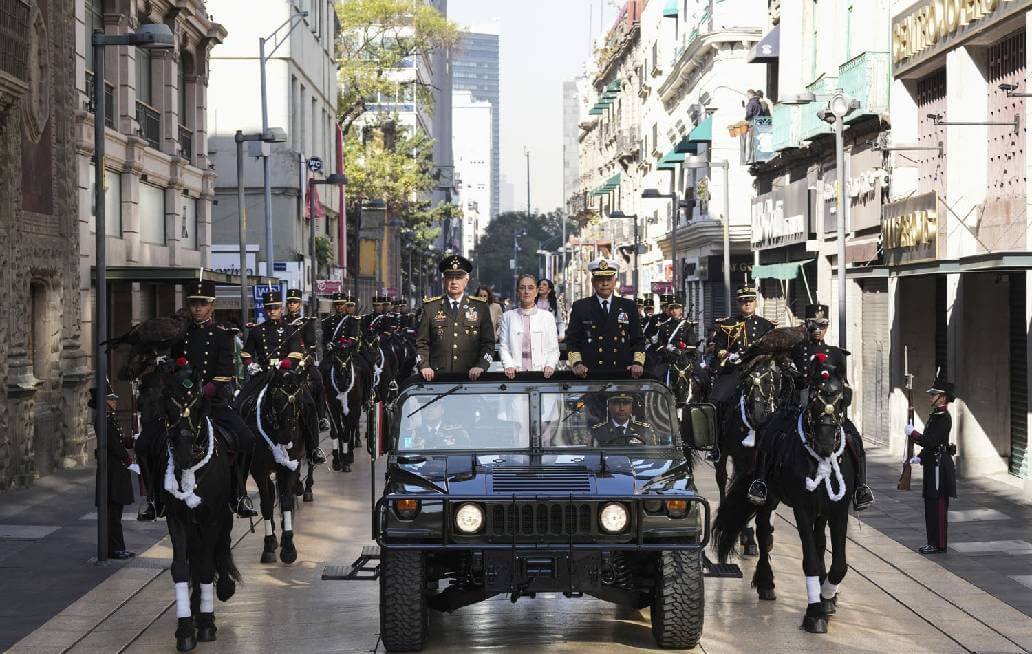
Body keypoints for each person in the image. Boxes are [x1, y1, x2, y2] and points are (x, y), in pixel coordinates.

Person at [165, 279, 257, 517]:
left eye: (202, 304)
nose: (197, 309)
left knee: (246, 439)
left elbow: (225, 374)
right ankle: (156, 499)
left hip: (210, 403)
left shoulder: (221, 336)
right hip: (180, 404)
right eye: (194, 304)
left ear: (212, 307)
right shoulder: (179, 336)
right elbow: (172, 366)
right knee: (148, 442)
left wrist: (204, 391)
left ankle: (239, 493)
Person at [786, 303, 874, 510]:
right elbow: (787, 382)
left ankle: (861, 487)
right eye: (814, 325)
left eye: (823, 325)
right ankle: (762, 482)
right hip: (799, 409)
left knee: (855, 439)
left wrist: (841, 402)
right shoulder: (795, 351)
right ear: (806, 324)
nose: (818, 329)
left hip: (828, 412)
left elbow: (844, 386)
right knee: (773, 434)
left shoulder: (835, 353)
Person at [416, 254, 495, 381]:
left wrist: (481, 366)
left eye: (458, 277)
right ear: (443, 281)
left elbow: (488, 344)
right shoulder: (431, 307)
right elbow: (421, 343)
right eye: (449, 277)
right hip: (436, 378)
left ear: (466, 280)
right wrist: (424, 365)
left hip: (471, 377)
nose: (454, 282)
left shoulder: (480, 307)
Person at [565, 257, 646, 378]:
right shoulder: (581, 307)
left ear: (615, 281)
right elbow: (572, 341)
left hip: (622, 373)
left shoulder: (628, 306)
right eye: (600, 279)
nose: (605, 283)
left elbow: (638, 340)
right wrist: (577, 363)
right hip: (590, 373)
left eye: (608, 279)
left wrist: (637, 363)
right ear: (593, 282)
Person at [906, 374, 957, 554]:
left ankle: (939, 544)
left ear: (942, 397)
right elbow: (930, 444)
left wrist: (914, 435)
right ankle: (931, 542)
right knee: (930, 506)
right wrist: (920, 457)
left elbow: (932, 441)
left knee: (939, 507)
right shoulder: (936, 415)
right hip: (932, 464)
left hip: (939, 468)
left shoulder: (944, 418)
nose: (930, 397)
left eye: (933, 394)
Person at [284, 288, 328, 462]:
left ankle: (322, 417)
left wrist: (303, 361)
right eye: (289, 302)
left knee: (318, 379)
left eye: (294, 302)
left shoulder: (307, 322)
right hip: (285, 364)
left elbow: (310, 345)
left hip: (302, 363)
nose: (292, 305)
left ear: (299, 304)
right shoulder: (282, 322)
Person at [92, 384, 136, 560]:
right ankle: (114, 548)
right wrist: (126, 457)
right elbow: (112, 444)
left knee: (116, 513)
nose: (115, 402)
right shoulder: (103, 419)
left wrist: (131, 441)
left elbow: (118, 440)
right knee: (112, 514)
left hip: (116, 470)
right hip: (111, 471)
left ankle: (118, 546)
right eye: (111, 399)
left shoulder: (109, 418)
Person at [499, 274, 560, 379]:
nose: (526, 291)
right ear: (517, 292)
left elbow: (554, 349)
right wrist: (508, 365)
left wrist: (550, 365)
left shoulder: (547, 317)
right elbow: (504, 346)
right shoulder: (508, 316)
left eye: (531, 288)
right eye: (522, 288)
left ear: (536, 292)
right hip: (515, 375)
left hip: (542, 374)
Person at [590, 392, 657, 446]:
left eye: (626, 403)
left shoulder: (644, 430)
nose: (621, 408)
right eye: (616, 403)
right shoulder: (599, 431)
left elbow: (652, 457)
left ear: (631, 407)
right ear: (609, 406)